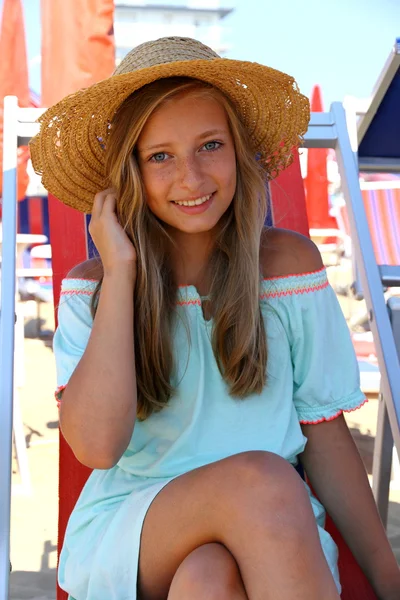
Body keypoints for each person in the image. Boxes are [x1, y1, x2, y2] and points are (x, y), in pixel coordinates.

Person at [30, 36, 400, 600]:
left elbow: (325, 436)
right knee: (265, 480)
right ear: (129, 172)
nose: (192, 178)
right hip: (137, 529)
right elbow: (98, 449)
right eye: (160, 156)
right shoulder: (94, 289)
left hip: (275, 536)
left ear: (239, 150)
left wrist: (387, 576)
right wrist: (123, 272)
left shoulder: (287, 266)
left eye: (209, 145)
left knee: (208, 579)